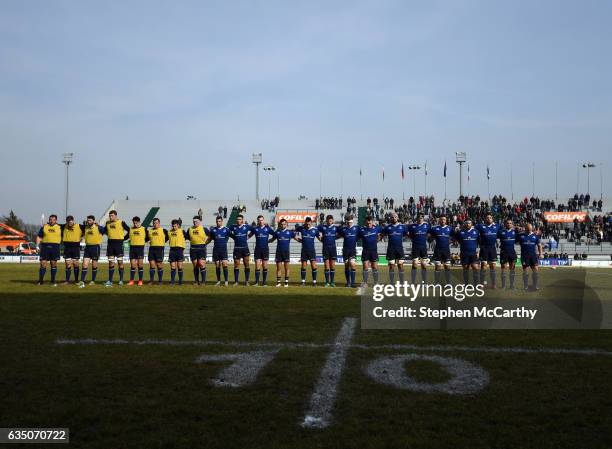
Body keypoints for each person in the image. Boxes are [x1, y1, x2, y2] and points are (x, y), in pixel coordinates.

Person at [104, 210, 130, 287]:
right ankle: (110, 281)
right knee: (111, 262)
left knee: (120, 263)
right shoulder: (107, 223)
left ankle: (121, 280)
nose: (110, 217)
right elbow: (104, 231)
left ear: (116, 216)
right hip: (110, 244)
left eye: (112, 215)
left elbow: (129, 230)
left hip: (118, 244)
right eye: (110, 216)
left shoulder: (121, 222)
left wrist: (124, 238)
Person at [269, 218, 297, 287]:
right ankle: (278, 282)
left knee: (286, 268)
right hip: (278, 252)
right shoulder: (277, 232)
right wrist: (265, 241)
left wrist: (304, 241)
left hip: (286, 252)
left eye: (284, 224)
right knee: (278, 268)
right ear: (280, 225)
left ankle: (286, 282)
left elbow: (297, 238)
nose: (283, 225)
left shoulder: (290, 232)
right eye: (281, 224)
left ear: (286, 224)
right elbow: (272, 240)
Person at [78, 215, 105, 287]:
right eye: (88, 220)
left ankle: (93, 280)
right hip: (87, 248)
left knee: (94, 264)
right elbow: (78, 226)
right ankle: (82, 281)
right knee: (84, 264)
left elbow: (106, 230)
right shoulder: (85, 227)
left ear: (93, 221)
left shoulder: (99, 228)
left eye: (90, 220)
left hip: (95, 247)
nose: (88, 221)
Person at [381, 213, 408, 284]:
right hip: (391, 249)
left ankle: (402, 283)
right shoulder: (387, 227)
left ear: (397, 218)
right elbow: (381, 234)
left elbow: (406, 234)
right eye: (392, 217)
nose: (394, 218)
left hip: (399, 249)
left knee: (400, 265)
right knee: (391, 266)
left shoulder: (403, 227)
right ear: (390, 218)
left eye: (395, 217)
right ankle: (392, 283)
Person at [36, 214, 62, 286]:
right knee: (43, 263)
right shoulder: (44, 226)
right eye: (50, 219)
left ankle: (53, 281)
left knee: (53, 263)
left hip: (55, 247)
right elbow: (39, 236)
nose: (51, 221)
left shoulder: (60, 227)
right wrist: (37, 246)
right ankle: (40, 281)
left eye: (53, 220)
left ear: (56, 220)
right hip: (45, 247)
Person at [452, 219, 480, 286]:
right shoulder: (460, 232)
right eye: (466, 223)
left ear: (472, 224)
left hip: (473, 254)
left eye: (469, 223)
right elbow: (457, 240)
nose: (468, 224)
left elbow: (480, 242)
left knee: (475, 268)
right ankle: (466, 284)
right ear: (464, 224)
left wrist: (478, 252)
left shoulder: (476, 232)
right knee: (465, 269)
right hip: (464, 254)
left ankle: (476, 284)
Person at [475, 213, 500, 288]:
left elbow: (503, 231)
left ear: (492, 219)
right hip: (484, 249)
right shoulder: (480, 226)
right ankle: (481, 283)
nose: (489, 219)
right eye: (487, 217)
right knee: (483, 267)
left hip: (492, 249)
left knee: (493, 267)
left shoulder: (497, 226)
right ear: (485, 219)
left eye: (490, 217)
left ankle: (493, 284)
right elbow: (473, 229)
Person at [295, 216, 320, 287]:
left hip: (312, 250)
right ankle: (303, 282)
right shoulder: (302, 229)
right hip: (304, 251)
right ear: (305, 223)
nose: (308, 225)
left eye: (309, 224)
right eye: (306, 224)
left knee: (314, 266)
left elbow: (319, 237)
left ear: (311, 223)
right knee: (303, 266)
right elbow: (295, 232)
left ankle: (314, 282)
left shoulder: (315, 230)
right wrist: (299, 240)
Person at [517, 223, 543, 291]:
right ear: (525, 228)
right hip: (524, 256)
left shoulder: (535, 236)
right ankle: (525, 285)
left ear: (532, 229)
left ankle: (535, 285)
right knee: (526, 271)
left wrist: (540, 254)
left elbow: (539, 245)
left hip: (533, 256)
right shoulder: (521, 235)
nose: (529, 230)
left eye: (530, 229)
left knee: (536, 271)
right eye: (527, 229)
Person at [250, 215, 273, 286]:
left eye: (262, 220)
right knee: (257, 266)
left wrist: (270, 241)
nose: (260, 221)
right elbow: (249, 235)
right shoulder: (255, 229)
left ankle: (264, 282)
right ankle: (256, 282)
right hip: (257, 249)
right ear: (257, 221)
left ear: (264, 220)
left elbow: (275, 235)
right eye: (259, 220)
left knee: (265, 266)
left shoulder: (268, 229)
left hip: (265, 249)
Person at [359, 216, 382, 288]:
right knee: (365, 267)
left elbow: (381, 233)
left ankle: (376, 282)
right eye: (367, 222)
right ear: (366, 222)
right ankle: (365, 283)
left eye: (370, 222)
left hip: (373, 251)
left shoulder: (377, 228)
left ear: (372, 222)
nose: (369, 223)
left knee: (374, 267)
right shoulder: (362, 230)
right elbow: (357, 237)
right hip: (365, 251)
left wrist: (377, 240)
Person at [229, 214, 252, 286]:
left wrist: (248, 237)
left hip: (245, 248)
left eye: (240, 219)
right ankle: (236, 282)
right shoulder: (233, 227)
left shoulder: (246, 226)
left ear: (242, 220)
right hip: (237, 249)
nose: (238, 220)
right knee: (236, 265)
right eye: (237, 219)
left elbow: (253, 230)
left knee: (247, 264)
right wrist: (233, 237)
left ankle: (247, 281)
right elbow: (228, 232)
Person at [317, 215, 340, 287]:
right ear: (326, 221)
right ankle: (327, 282)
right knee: (326, 266)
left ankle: (332, 282)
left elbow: (342, 233)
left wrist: (335, 237)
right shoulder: (323, 227)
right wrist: (319, 238)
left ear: (332, 221)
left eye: (330, 221)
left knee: (332, 266)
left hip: (333, 248)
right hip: (325, 248)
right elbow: (315, 230)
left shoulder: (336, 228)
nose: (329, 222)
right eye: (328, 221)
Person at [408, 214, 430, 283]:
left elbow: (429, 234)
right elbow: (409, 235)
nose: (420, 219)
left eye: (421, 218)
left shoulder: (427, 225)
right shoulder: (412, 226)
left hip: (423, 248)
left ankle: (424, 282)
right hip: (415, 248)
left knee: (424, 265)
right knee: (414, 264)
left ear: (423, 219)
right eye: (419, 218)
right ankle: (413, 282)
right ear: (416, 218)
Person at [430, 216, 452, 285]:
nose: (443, 221)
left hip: (446, 251)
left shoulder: (450, 229)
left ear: (446, 221)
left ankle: (448, 283)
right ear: (439, 220)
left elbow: (455, 236)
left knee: (447, 267)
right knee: (437, 267)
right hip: (438, 250)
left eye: (444, 219)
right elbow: (429, 238)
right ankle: (436, 283)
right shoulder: (435, 228)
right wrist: (431, 239)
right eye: (441, 219)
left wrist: (451, 241)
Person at [61, 215, 83, 284]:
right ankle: (67, 280)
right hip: (67, 247)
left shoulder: (79, 226)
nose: (69, 223)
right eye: (68, 222)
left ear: (73, 220)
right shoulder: (63, 226)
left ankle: (76, 280)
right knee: (68, 264)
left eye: (70, 221)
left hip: (76, 247)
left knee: (76, 264)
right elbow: (54, 225)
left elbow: (88, 227)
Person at [338, 216, 359, 287]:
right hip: (345, 250)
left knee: (353, 265)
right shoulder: (343, 229)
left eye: (350, 222)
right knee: (346, 266)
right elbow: (338, 235)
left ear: (352, 221)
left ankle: (353, 283)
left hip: (352, 250)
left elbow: (362, 233)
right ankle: (348, 282)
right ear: (346, 221)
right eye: (348, 222)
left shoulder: (356, 228)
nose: (349, 223)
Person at [146, 218, 168, 285]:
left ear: (159, 223)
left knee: (159, 265)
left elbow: (168, 237)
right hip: (152, 249)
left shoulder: (163, 230)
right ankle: (151, 280)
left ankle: (160, 281)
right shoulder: (150, 231)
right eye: (154, 223)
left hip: (160, 249)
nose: (155, 224)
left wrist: (163, 241)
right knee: (152, 265)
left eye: (156, 223)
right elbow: (146, 239)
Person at [209, 216, 230, 286]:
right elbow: (210, 238)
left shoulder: (226, 229)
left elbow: (229, 236)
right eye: (217, 221)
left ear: (222, 221)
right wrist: (204, 244)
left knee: (224, 264)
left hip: (223, 250)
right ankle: (218, 281)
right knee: (217, 265)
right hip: (216, 250)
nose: (218, 222)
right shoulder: (213, 230)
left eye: (219, 221)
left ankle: (226, 281)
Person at [187, 216, 209, 286]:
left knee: (201, 264)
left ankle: (203, 281)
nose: (195, 222)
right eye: (194, 221)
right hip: (193, 249)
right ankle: (196, 281)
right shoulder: (190, 229)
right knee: (195, 265)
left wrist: (206, 242)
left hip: (202, 248)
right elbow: (188, 237)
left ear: (199, 221)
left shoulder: (204, 229)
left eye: (196, 221)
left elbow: (210, 236)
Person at [497, 219, 518, 289]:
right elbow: (494, 238)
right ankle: (503, 285)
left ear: (512, 224)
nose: (509, 224)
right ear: (505, 224)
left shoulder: (515, 232)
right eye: (507, 223)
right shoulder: (501, 232)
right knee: (503, 269)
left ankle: (512, 285)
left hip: (512, 253)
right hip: (503, 253)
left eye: (510, 223)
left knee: (512, 269)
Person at [127, 216, 146, 286]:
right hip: (132, 248)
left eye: (136, 223)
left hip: (140, 248)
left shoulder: (144, 229)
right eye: (134, 223)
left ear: (139, 222)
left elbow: (147, 237)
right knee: (133, 265)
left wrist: (142, 242)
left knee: (140, 264)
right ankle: (131, 281)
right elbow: (126, 236)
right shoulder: (131, 229)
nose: (135, 224)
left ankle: (140, 281)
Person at [167, 219, 186, 285]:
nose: (174, 227)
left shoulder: (182, 231)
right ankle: (172, 281)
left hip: (179, 250)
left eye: (175, 226)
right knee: (172, 266)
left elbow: (187, 237)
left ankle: (180, 281)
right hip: (172, 250)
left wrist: (183, 247)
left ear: (178, 225)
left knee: (180, 266)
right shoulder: (169, 232)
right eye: (173, 226)